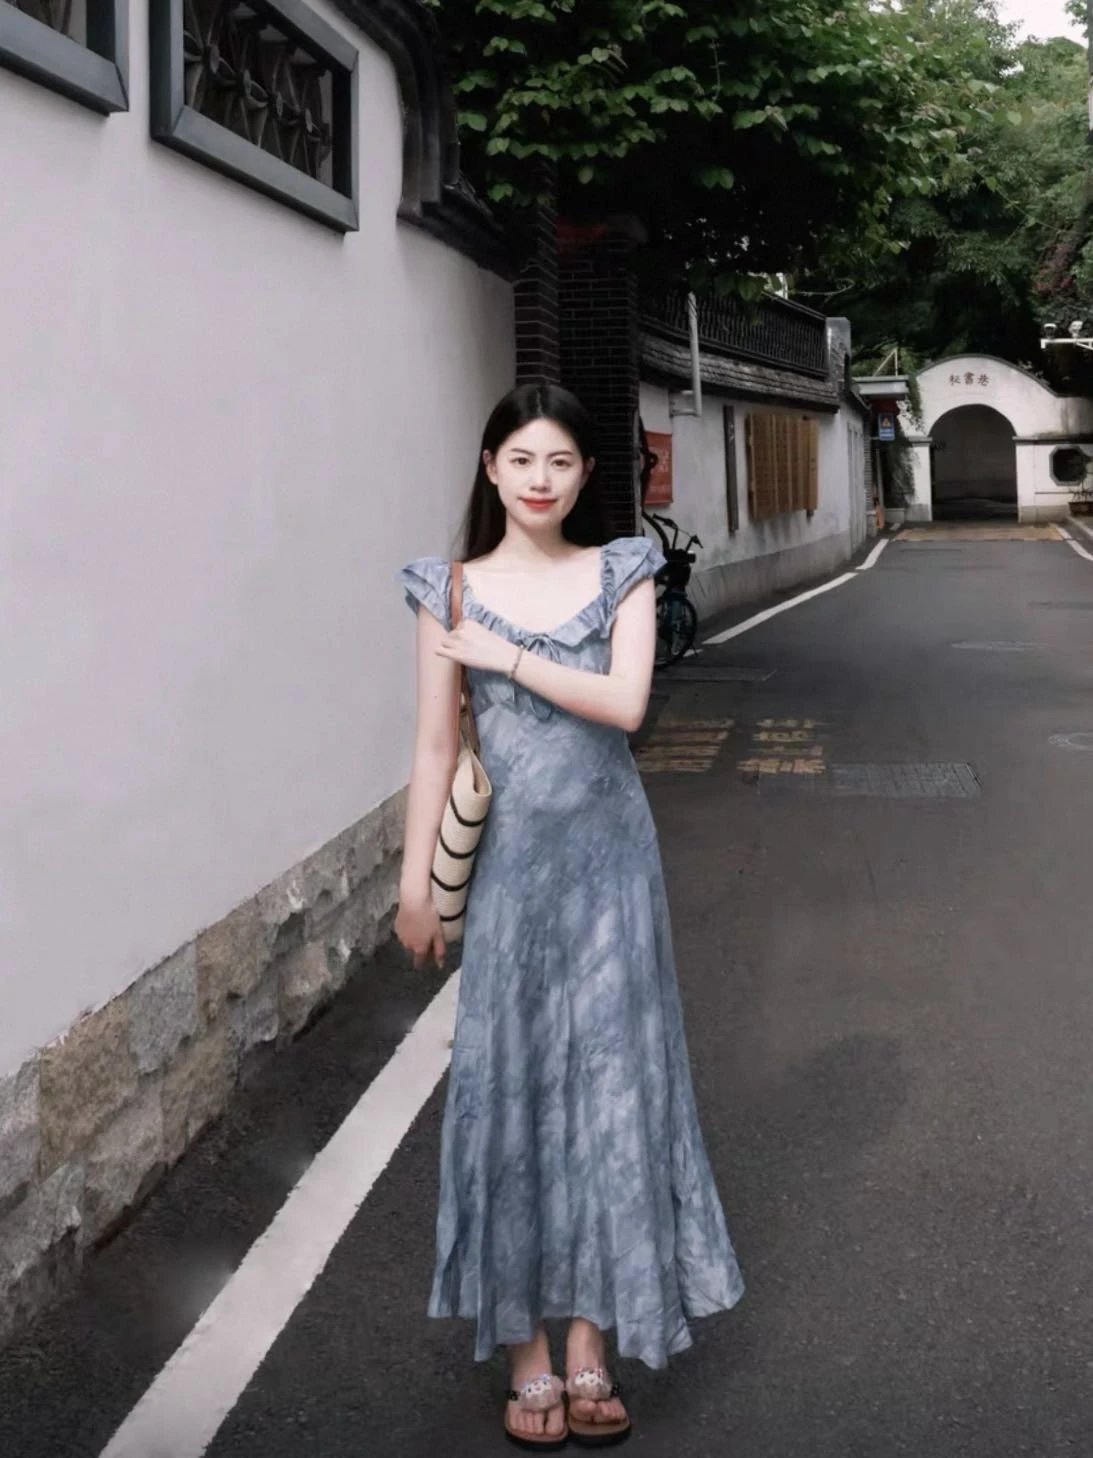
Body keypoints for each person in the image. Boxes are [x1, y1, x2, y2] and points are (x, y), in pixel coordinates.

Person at [395, 384, 743, 1450]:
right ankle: (526, 1354)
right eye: (521, 459)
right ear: (490, 468)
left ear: (586, 474)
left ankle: (589, 1341)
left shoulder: (622, 571)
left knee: (612, 1094)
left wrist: (504, 658)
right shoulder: (447, 590)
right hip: (508, 879)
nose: (539, 479)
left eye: (559, 461)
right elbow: (435, 747)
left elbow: (625, 705)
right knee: (510, 1093)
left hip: (610, 876)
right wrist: (414, 887)